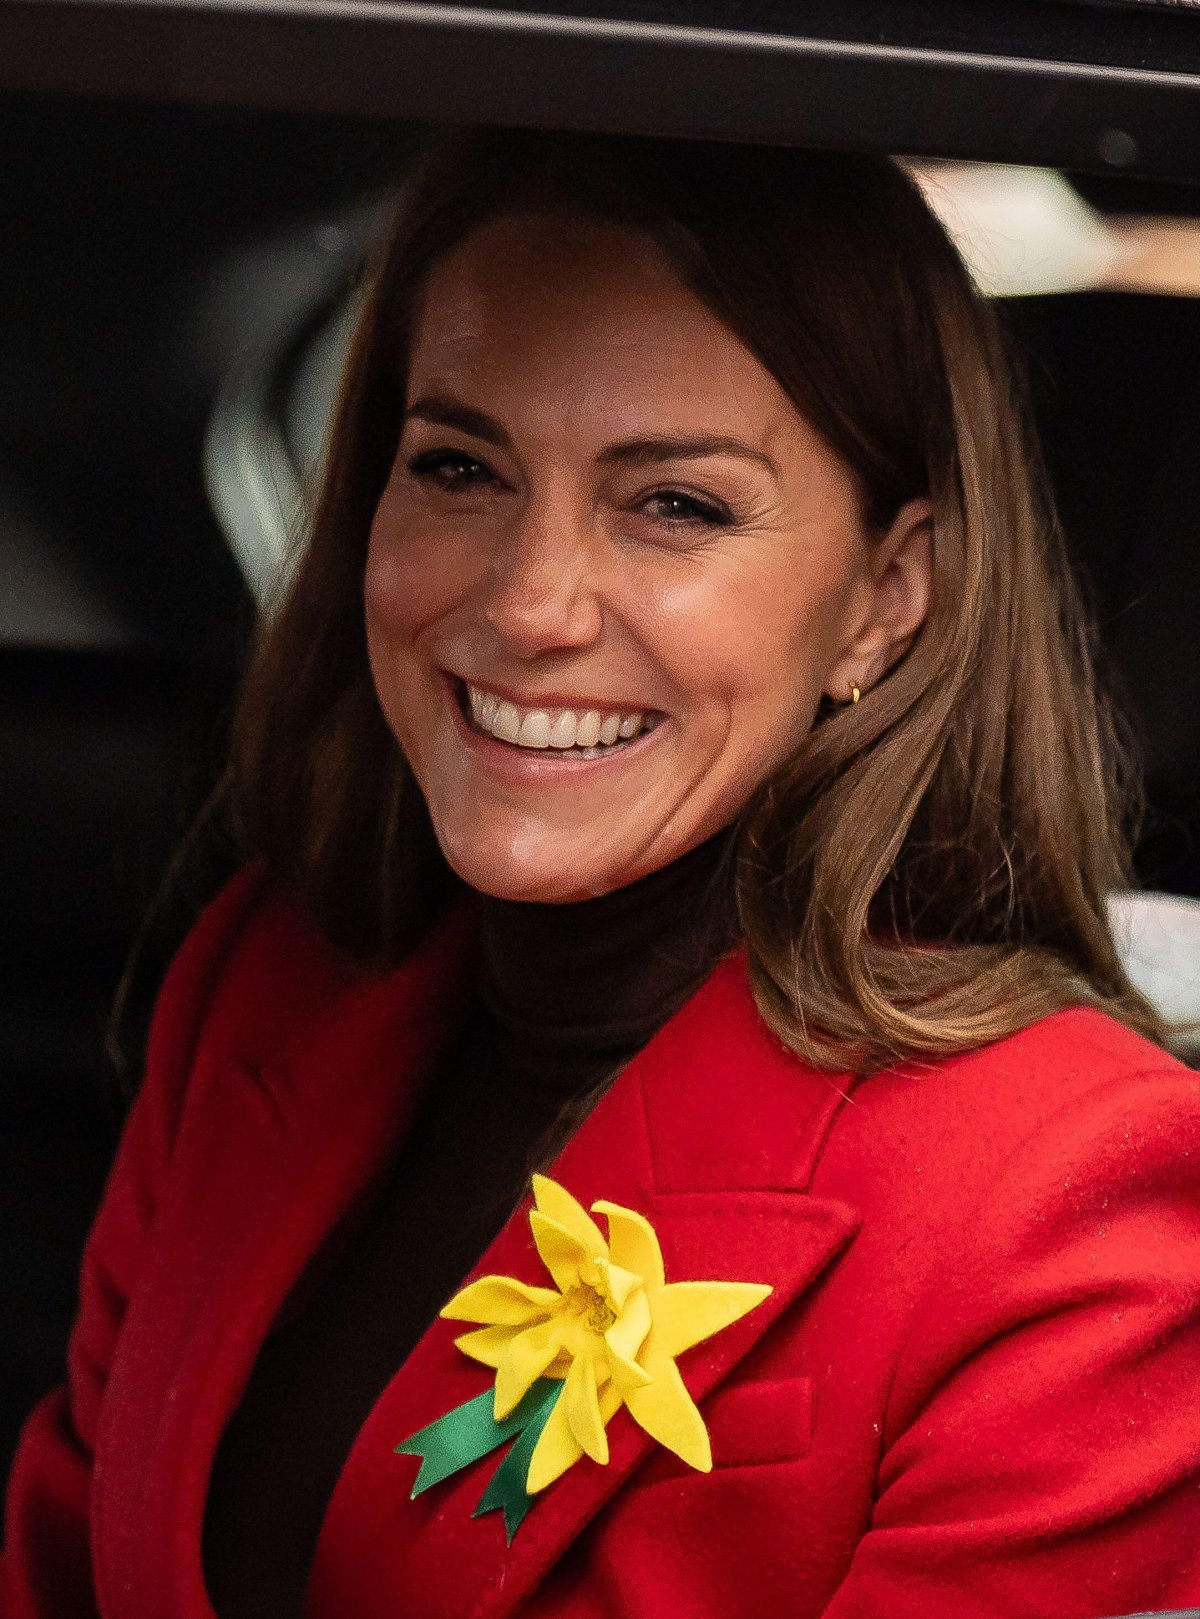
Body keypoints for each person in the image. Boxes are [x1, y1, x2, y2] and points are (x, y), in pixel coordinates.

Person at [3, 123, 1199, 1619]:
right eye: (459, 467)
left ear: (885, 603)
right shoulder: (265, 974)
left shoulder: (1063, 1200)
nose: (527, 603)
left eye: (675, 504)